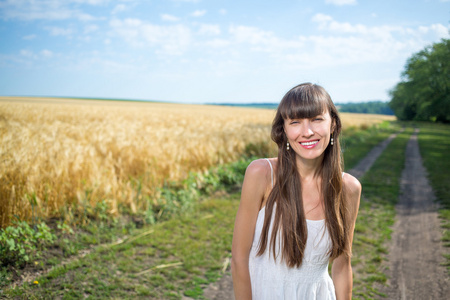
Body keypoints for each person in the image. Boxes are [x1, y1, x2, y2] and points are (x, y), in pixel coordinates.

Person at [231, 83, 361, 300]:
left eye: (317, 119)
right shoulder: (262, 174)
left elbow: (342, 265)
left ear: (333, 124)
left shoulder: (348, 189)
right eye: (295, 122)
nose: (307, 132)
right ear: (284, 129)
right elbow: (239, 259)